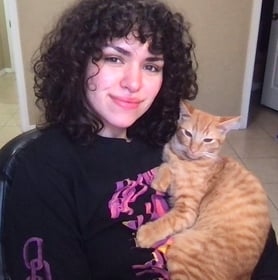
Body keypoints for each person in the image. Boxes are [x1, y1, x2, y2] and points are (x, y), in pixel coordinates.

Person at [2, 0, 278, 279]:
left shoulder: (170, 138)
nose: (133, 83)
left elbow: (261, 243)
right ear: (78, 63)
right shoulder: (43, 168)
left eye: (151, 66)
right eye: (114, 58)